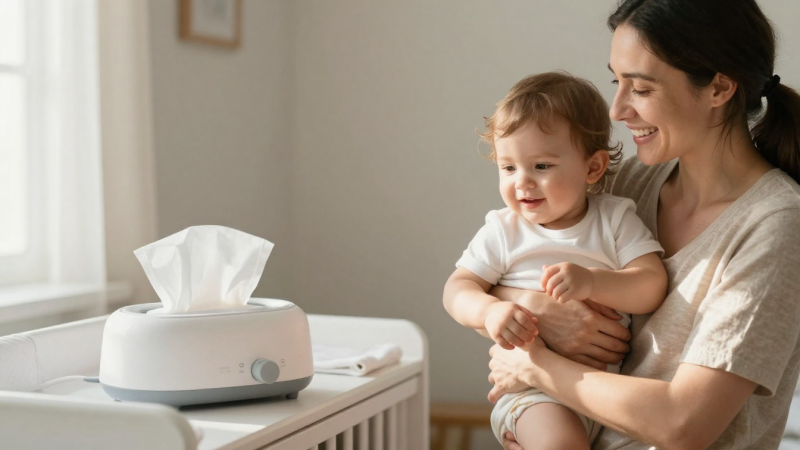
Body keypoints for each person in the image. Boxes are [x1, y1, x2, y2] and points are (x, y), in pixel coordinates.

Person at [487, 1, 800, 449]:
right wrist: (539, 308)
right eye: (618, 82)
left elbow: (684, 425)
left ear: (719, 88)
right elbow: (496, 268)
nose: (616, 110)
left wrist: (535, 367)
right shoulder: (627, 184)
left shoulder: (776, 226)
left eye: (641, 89)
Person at [443, 72, 668, 449]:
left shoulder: (614, 218)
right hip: (532, 391)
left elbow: (651, 285)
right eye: (509, 167)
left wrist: (594, 282)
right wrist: (489, 311)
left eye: (541, 167)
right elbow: (457, 289)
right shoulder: (504, 229)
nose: (522, 182)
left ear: (592, 168)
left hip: (608, 395)